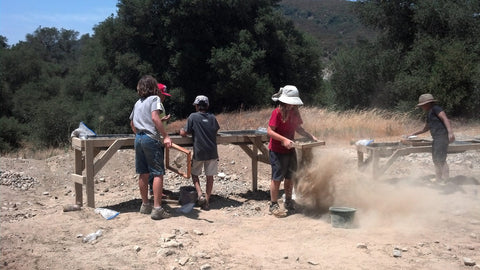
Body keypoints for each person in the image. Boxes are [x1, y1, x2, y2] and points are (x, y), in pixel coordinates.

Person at [267, 85, 318, 218]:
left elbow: (298, 128)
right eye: (291, 103)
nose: (292, 105)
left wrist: (309, 135)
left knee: (290, 176)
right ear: (284, 101)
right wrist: (283, 140)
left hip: (290, 149)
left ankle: (288, 201)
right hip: (277, 150)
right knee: (277, 178)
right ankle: (273, 204)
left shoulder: (295, 112)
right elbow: (270, 131)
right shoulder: (276, 112)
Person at [129, 75, 172, 220]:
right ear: (153, 87)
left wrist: (140, 134)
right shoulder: (155, 99)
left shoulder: (137, 103)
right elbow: (154, 117)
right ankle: (157, 209)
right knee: (157, 173)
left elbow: (132, 124)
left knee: (143, 172)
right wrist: (165, 135)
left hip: (138, 138)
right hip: (150, 137)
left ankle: (145, 205)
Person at [180, 95, 220, 211]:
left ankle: (199, 194)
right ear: (207, 105)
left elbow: (185, 132)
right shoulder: (212, 117)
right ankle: (206, 201)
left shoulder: (193, 116)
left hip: (199, 151)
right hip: (212, 151)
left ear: (197, 106)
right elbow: (216, 129)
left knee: (194, 173)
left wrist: (181, 131)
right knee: (210, 177)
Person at [408, 93, 455, 181]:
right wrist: (413, 133)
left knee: (441, 159)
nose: (422, 108)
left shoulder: (436, 109)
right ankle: (438, 179)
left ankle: (446, 180)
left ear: (427, 104)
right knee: (436, 159)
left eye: (422, 105)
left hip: (442, 137)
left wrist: (450, 133)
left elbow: (445, 119)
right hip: (436, 139)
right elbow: (425, 128)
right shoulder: (429, 113)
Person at [148, 83, 171, 197]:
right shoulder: (156, 104)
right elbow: (153, 121)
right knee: (156, 166)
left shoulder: (158, 104)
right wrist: (162, 120)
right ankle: (154, 190)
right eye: (163, 94)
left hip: (158, 137)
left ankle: (158, 188)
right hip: (156, 137)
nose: (164, 97)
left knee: (158, 165)